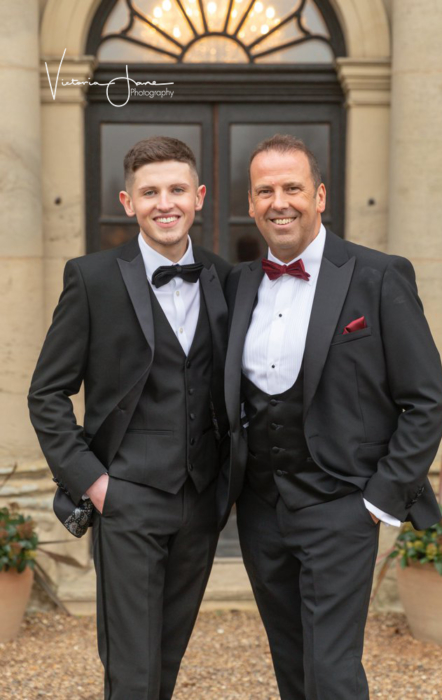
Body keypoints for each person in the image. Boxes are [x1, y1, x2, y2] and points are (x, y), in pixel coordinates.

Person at [221, 134, 442, 699]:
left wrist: (377, 502)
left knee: (332, 672)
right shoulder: (237, 284)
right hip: (260, 509)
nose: (280, 202)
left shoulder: (378, 275)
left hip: (342, 505)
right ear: (251, 205)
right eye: (265, 191)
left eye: (293, 187)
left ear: (320, 195)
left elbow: (426, 400)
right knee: (291, 664)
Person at [28, 136, 231, 699]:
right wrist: (93, 482)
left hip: (202, 498)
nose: (164, 203)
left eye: (176, 190)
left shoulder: (224, 277)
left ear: (199, 197)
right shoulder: (90, 279)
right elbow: (46, 393)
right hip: (127, 494)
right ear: (127, 201)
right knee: (131, 666)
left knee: (167, 656)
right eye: (149, 192)